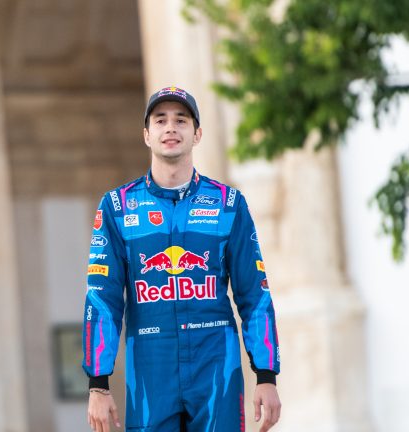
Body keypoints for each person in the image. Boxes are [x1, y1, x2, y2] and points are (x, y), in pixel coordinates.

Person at [82, 86, 281, 432]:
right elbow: (102, 298)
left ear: (197, 134)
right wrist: (98, 385)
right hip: (151, 367)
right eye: (160, 120)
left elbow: (254, 294)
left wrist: (266, 376)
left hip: (215, 363)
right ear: (147, 135)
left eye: (181, 120)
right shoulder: (117, 207)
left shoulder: (228, 204)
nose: (170, 128)